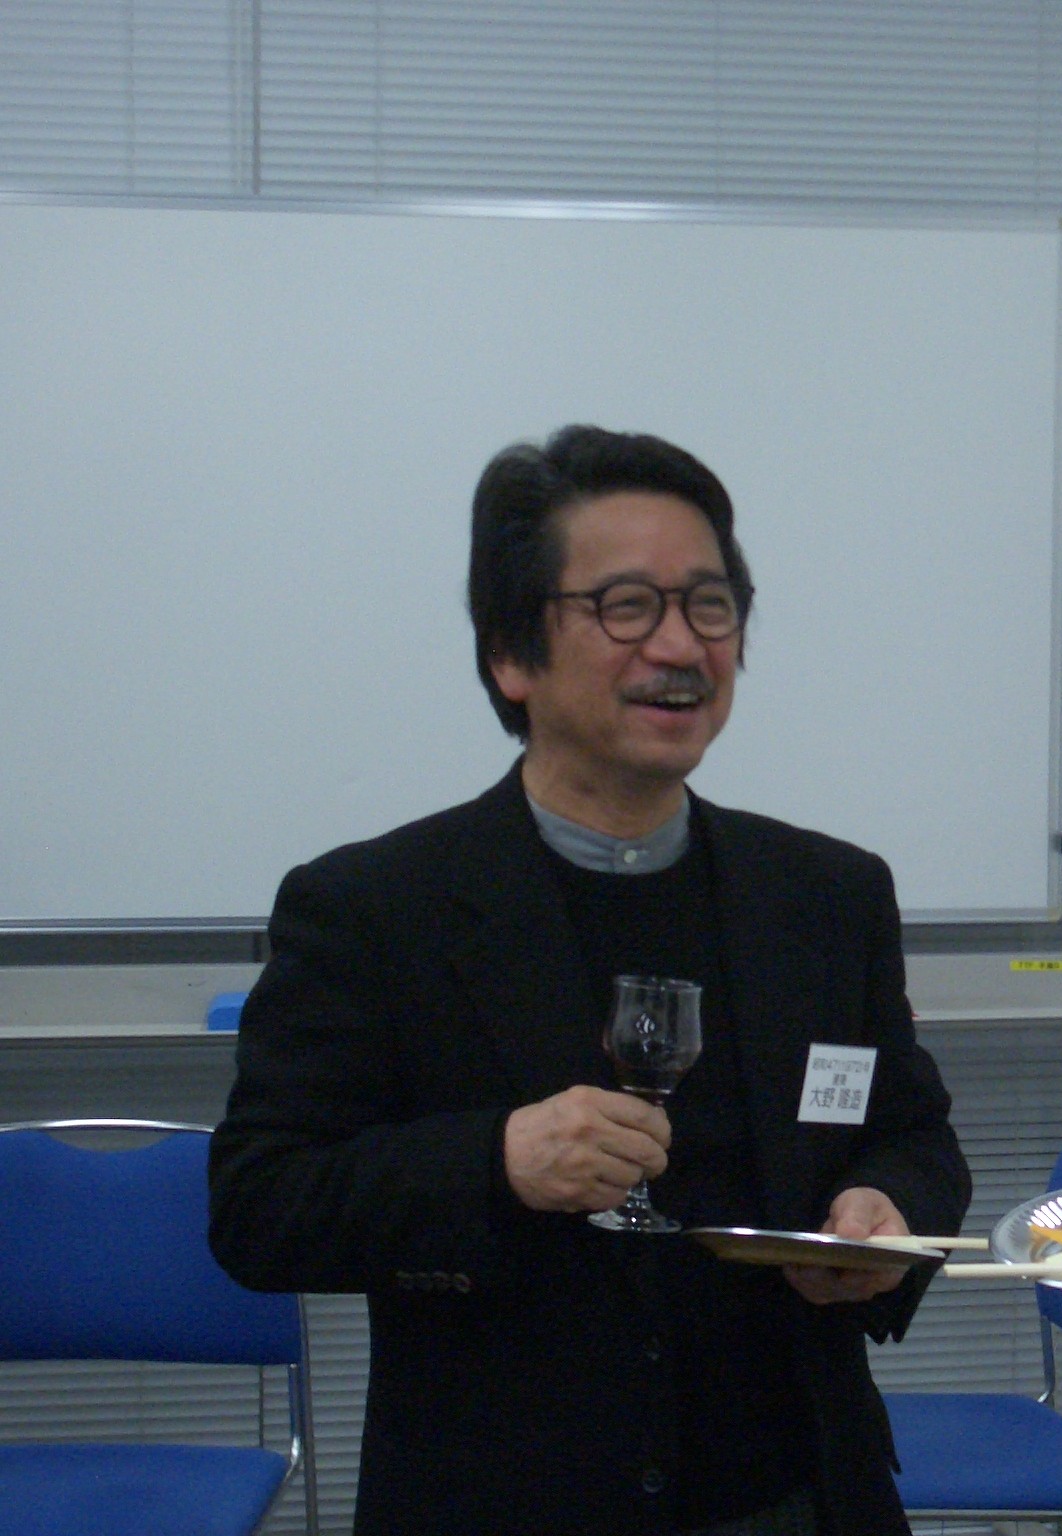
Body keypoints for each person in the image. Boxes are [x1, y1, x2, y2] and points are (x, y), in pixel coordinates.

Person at [208, 425, 971, 1536]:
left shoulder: (824, 894)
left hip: (795, 1492)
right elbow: (259, 1209)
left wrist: (887, 1215)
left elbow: (911, 1133)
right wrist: (494, 1162)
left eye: (710, 605)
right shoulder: (376, 907)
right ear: (511, 657)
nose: (681, 645)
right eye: (627, 607)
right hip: (500, 1499)